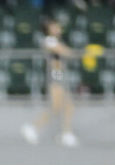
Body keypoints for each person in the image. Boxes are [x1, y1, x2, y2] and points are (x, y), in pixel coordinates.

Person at [21, 18, 79, 147]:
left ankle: (66, 133)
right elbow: (63, 51)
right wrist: (75, 53)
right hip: (55, 75)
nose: (58, 29)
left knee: (69, 106)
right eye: (55, 27)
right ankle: (32, 128)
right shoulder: (49, 41)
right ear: (49, 29)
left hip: (60, 74)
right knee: (56, 107)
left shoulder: (56, 40)